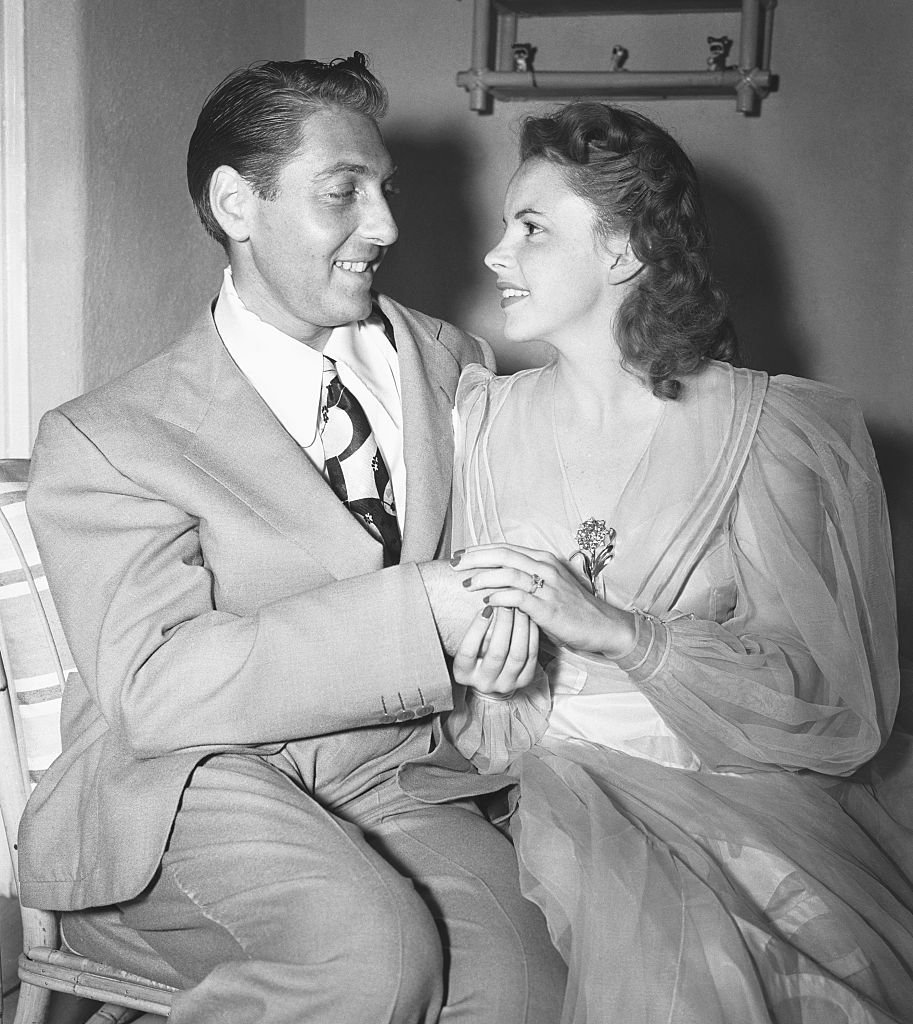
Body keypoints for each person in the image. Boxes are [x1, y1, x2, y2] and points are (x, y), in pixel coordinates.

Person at [19, 54, 566, 1024]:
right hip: (187, 786)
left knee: (527, 987)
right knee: (371, 957)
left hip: (393, 770)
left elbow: (501, 544)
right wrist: (421, 606)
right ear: (237, 202)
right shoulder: (110, 435)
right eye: (341, 193)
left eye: (384, 190)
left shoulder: (449, 362)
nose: (386, 226)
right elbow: (155, 689)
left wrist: (504, 618)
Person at [445, 101, 913, 1023]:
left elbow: (816, 691)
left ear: (620, 252)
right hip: (541, 790)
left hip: (733, 788)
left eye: (530, 228)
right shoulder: (473, 422)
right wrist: (475, 661)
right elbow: (443, 646)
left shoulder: (763, 431)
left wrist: (624, 633)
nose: (496, 254)